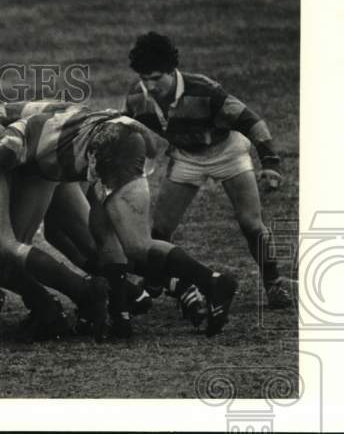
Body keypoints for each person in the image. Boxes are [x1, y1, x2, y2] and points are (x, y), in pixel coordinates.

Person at [0, 104, 240, 338]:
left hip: (109, 148)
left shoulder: (19, 128)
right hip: (104, 150)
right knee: (97, 236)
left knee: (135, 244)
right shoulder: (49, 114)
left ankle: (208, 281)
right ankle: (122, 315)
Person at [123, 32, 294, 309]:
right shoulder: (137, 97)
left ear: (172, 71)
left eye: (156, 78)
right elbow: (126, 131)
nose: (150, 85)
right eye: (145, 78)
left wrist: (271, 163)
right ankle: (155, 280)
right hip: (187, 157)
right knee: (161, 229)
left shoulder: (205, 90)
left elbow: (252, 121)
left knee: (251, 224)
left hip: (227, 151)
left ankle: (273, 283)